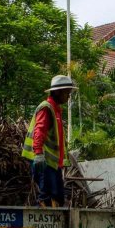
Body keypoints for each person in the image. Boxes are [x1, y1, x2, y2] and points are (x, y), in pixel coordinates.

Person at [22, 75, 75, 207]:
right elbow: (39, 131)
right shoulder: (46, 108)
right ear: (58, 92)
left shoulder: (56, 110)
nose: (68, 97)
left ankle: (53, 223)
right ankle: (42, 224)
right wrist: (38, 154)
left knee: (57, 197)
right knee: (46, 197)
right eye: (67, 93)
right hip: (43, 162)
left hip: (52, 164)